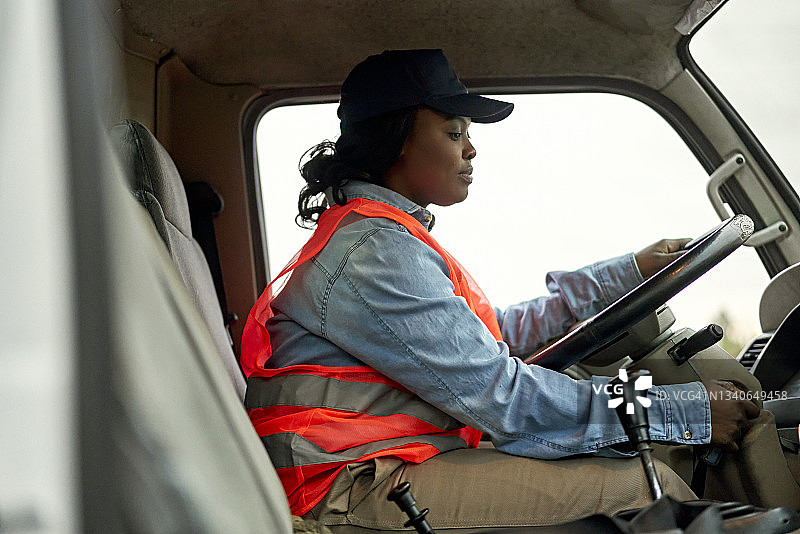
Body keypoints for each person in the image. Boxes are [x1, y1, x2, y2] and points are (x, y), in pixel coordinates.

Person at [241, 49, 797, 532]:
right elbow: (502, 398)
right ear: (398, 138)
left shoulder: (383, 236)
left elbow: (495, 336)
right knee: (650, 494)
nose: (471, 150)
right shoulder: (374, 253)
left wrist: (630, 270)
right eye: (455, 132)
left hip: (374, 464)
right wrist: (684, 408)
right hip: (341, 487)